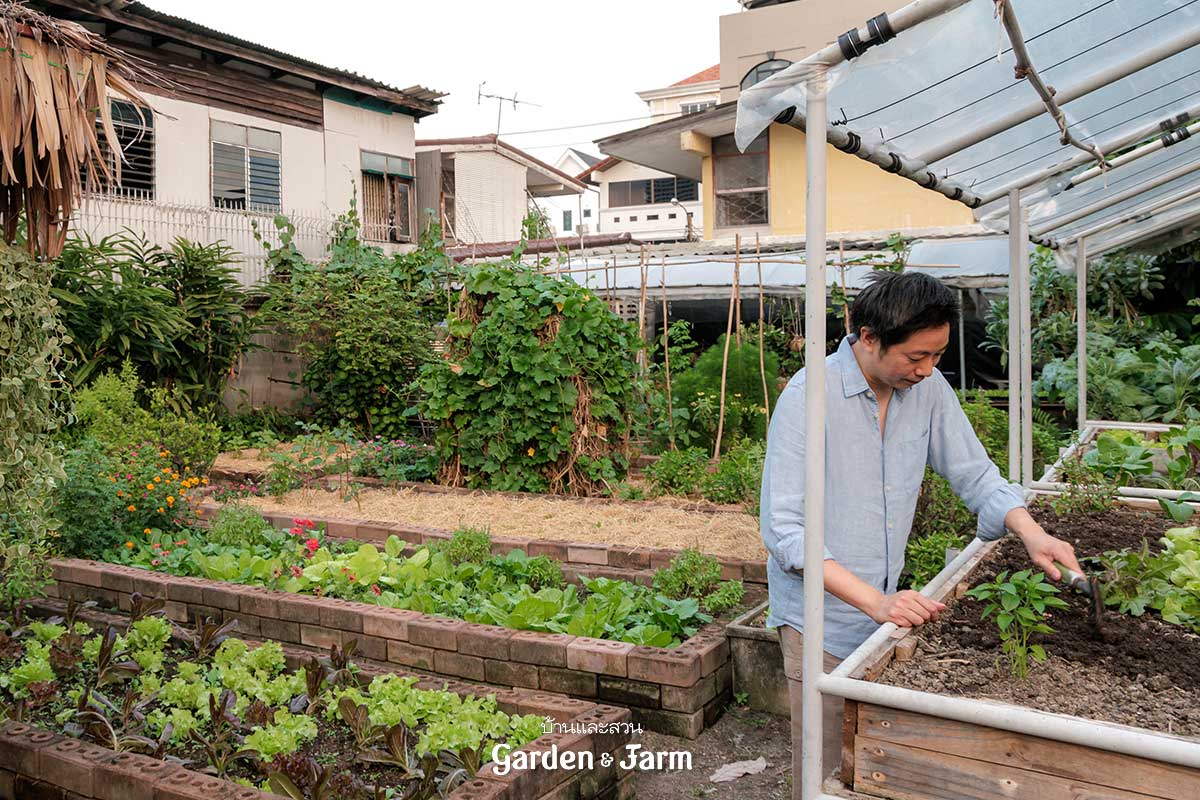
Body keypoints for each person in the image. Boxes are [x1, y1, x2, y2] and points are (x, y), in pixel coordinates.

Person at [759, 271, 1083, 796]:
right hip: (820, 621)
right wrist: (876, 604)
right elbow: (785, 531)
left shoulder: (927, 389)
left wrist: (1031, 533)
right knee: (821, 772)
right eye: (915, 357)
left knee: (870, 766)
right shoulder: (809, 397)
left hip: (884, 611)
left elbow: (975, 474)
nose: (928, 369)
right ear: (868, 337)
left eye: (937, 355)